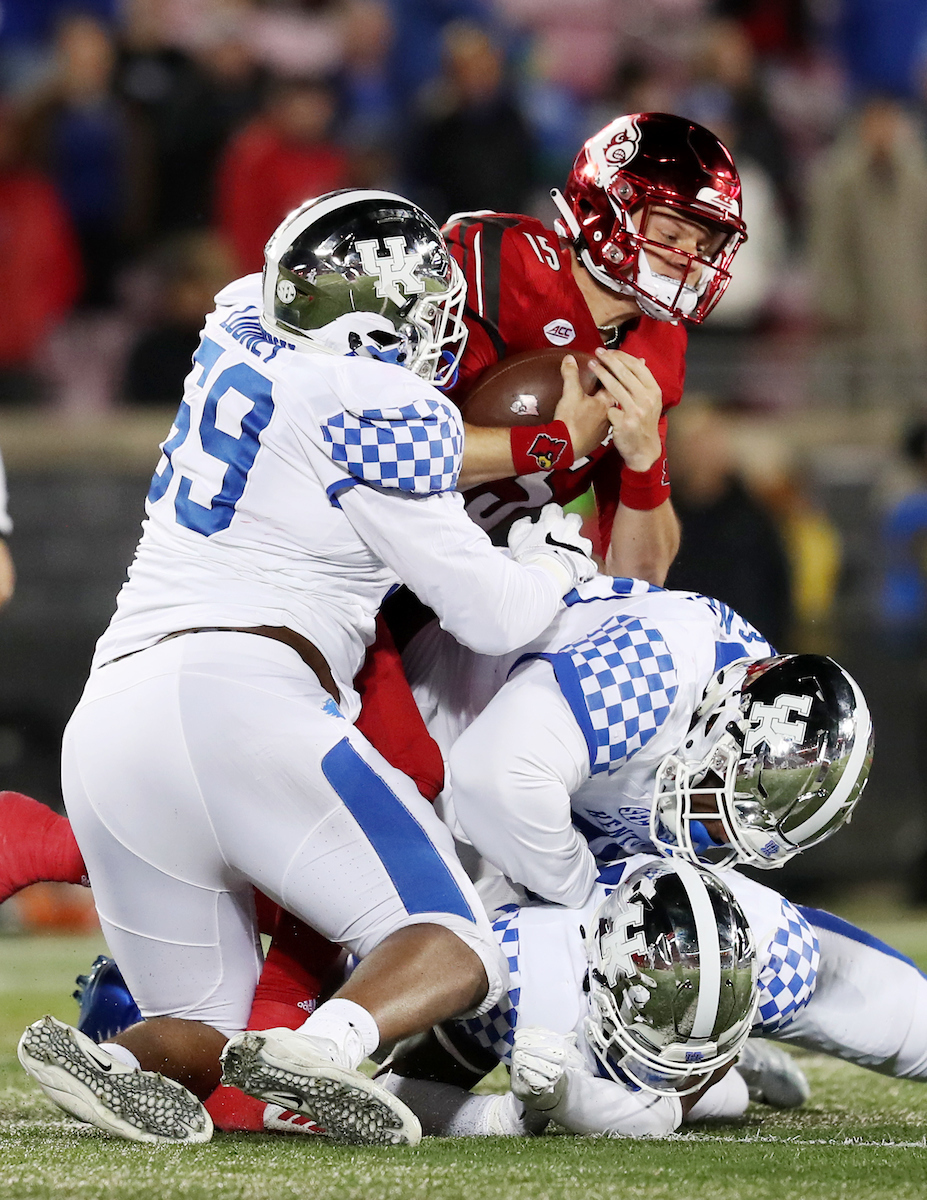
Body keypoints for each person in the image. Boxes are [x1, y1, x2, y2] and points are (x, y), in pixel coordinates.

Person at [15, 188, 602, 1148]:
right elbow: (490, 613)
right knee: (455, 940)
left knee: (208, 1024)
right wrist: (551, 555)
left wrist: (533, 440)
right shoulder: (373, 399)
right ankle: (328, 1045)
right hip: (246, 699)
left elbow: (384, 437)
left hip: (113, 719)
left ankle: (122, 1061)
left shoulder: (241, 311)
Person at [395, 578, 927, 1091]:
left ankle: (704, 1062)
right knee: (552, 975)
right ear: (725, 717)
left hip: (517, 837)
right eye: (721, 803)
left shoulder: (737, 714)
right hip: (419, 768)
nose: (712, 836)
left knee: (764, 945)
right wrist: (590, 900)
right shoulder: (664, 658)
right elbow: (496, 776)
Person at [445, 111, 748, 586]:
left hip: (482, 577)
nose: (688, 261)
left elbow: (640, 576)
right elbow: (389, 449)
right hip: (361, 545)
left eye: (704, 246)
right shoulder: (501, 264)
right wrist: (556, 445)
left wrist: (645, 459)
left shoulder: (660, 347)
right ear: (606, 207)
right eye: (671, 234)